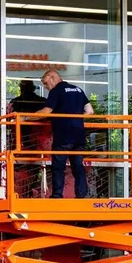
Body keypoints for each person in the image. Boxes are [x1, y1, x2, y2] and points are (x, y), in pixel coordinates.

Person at [40, 69, 93, 199]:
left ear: (52, 78)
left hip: (63, 135)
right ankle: (81, 195)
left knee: (58, 166)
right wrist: (76, 119)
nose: (46, 87)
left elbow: (47, 111)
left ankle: (57, 195)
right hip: (79, 135)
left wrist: (25, 118)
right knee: (78, 166)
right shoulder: (78, 90)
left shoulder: (56, 91)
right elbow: (90, 111)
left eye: (46, 83)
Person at [7, 80, 49, 197]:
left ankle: (26, 190)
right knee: (23, 166)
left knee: (31, 165)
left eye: (25, 87)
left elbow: (48, 117)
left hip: (33, 139)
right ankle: (23, 191)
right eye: (23, 87)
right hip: (24, 139)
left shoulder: (39, 102)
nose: (24, 90)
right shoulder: (18, 101)